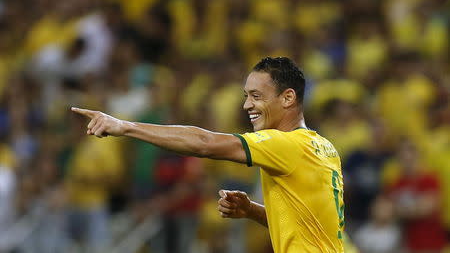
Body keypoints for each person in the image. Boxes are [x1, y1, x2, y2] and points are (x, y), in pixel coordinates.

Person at [71, 57, 345, 253]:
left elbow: (204, 142)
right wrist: (251, 210)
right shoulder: (324, 147)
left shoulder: (285, 144)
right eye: (246, 95)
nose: (246, 104)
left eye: (256, 96)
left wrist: (125, 126)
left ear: (287, 98)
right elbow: (306, 226)